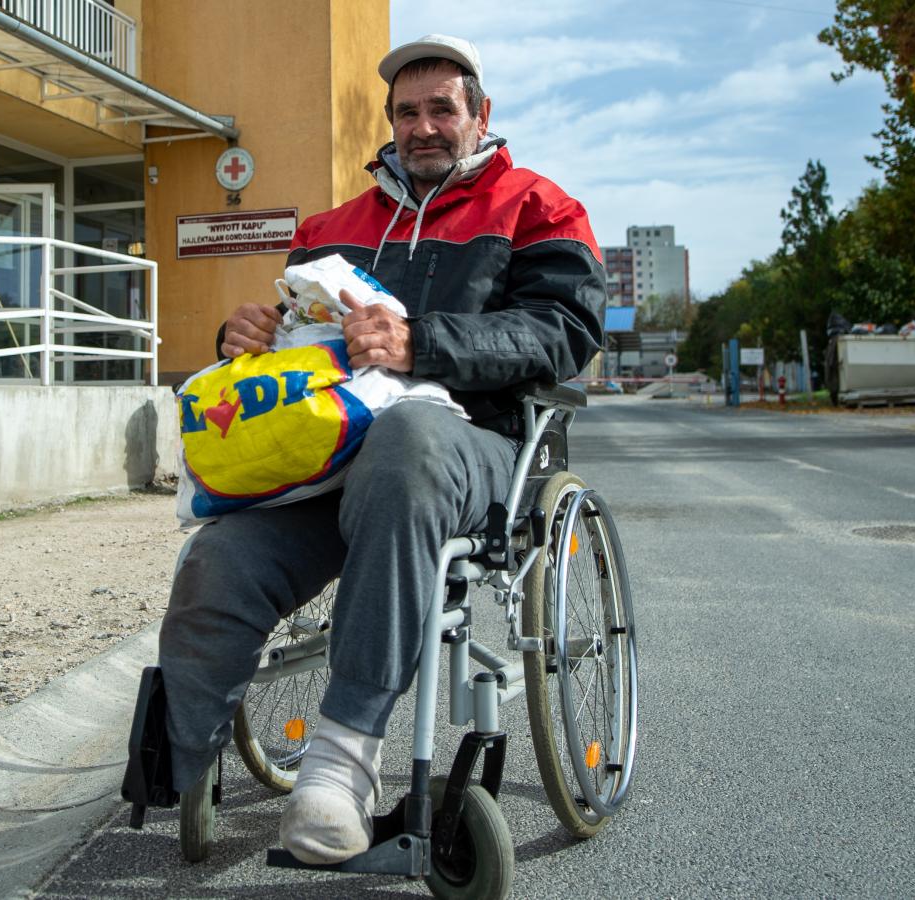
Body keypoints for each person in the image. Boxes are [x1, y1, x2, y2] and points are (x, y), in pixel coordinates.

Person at [155, 34, 605, 865]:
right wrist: (245, 337)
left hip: (473, 449)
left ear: (481, 115)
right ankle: (177, 756)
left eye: (443, 109)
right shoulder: (333, 228)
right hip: (329, 463)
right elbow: (295, 349)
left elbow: (564, 332)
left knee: (407, 437)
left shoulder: (538, 207)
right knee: (220, 555)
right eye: (407, 112)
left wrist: (419, 344)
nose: (424, 126)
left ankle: (341, 763)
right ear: (389, 122)